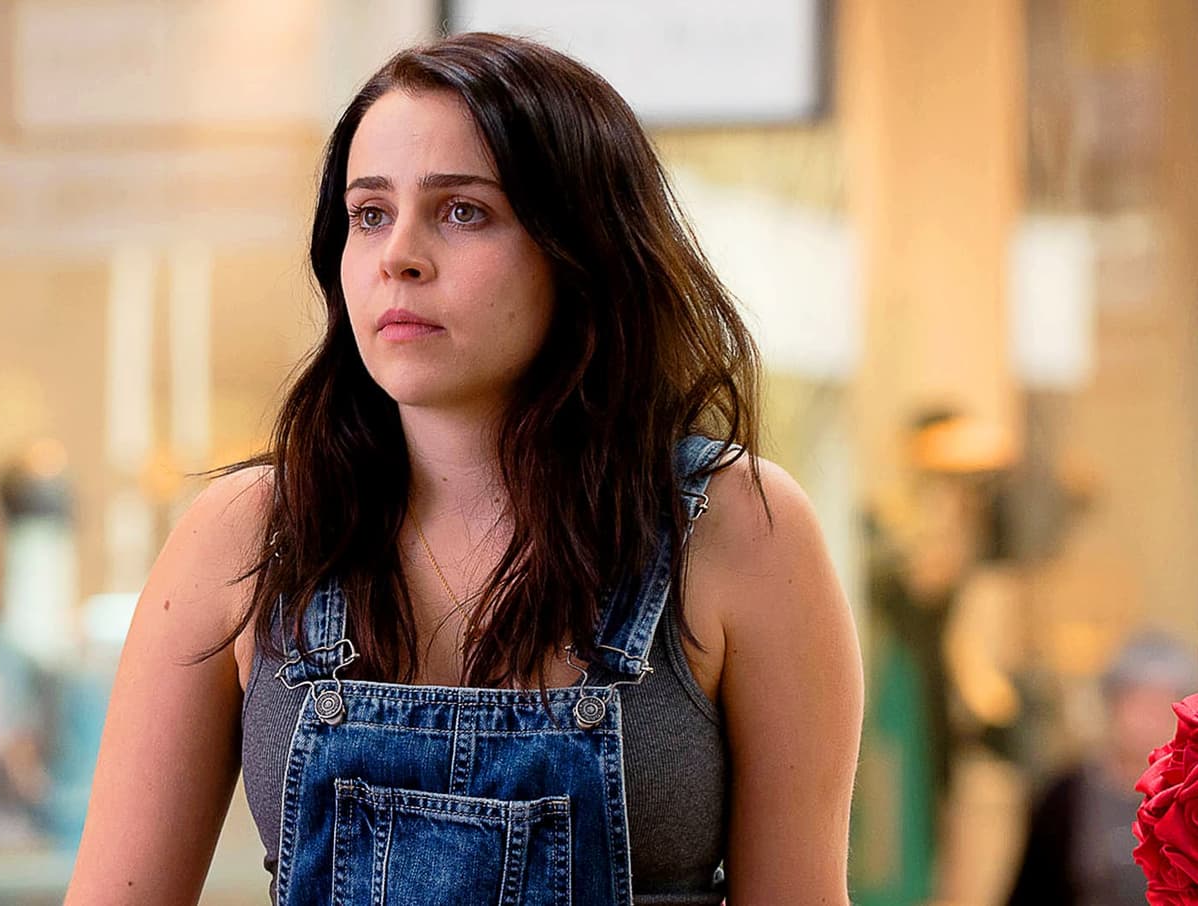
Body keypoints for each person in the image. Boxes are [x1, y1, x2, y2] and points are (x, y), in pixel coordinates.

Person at [65, 32, 863, 905]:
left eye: (462, 211)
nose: (398, 256)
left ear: (581, 248)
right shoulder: (246, 534)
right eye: (370, 214)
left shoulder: (736, 527)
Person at [1006, 631, 1198, 905]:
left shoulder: (1191, 796)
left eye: (1162, 707)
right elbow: (1031, 891)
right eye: (1138, 703)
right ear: (1112, 704)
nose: (1148, 721)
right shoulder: (1066, 796)